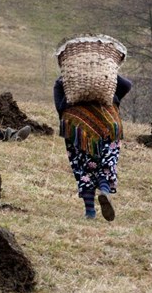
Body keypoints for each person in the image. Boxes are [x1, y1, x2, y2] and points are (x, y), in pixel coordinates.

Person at [55, 73, 132, 221]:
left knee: (84, 168)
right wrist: (111, 89)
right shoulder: (106, 75)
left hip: (78, 125)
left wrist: (71, 98)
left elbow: (60, 107)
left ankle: (90, 211)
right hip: (108, 121)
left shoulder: (64, 78)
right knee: (107, 161)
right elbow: (126, 85)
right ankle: (104, 190)